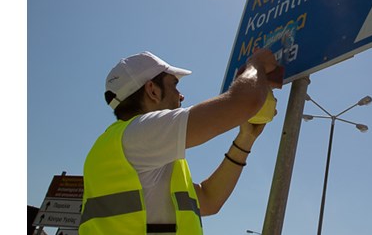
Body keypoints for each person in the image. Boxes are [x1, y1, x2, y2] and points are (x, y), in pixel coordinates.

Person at [79, 49, 280, 235]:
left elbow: (209, 200)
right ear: (153, 90)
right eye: (174, 85)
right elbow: (243, 102)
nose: (181, 95)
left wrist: (246, 138)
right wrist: (256, 64)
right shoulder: (140, 134)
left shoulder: (119, 145)